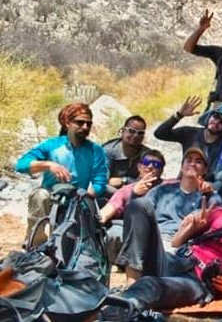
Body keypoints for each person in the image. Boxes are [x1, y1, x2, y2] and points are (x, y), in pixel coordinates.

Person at [106, 182, 222, 313]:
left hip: (197, 283)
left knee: (150, 285)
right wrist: (191, 229)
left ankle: (117, 310)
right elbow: (176, 243)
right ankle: (131, 281)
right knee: (140, 205)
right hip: (177, 261)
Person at [115, 147, 222, 281]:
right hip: (155, 241)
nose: (193, 164)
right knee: (139, 204)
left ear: (205, 170)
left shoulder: (212, 198)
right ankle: (131, 281)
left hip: (181, 250)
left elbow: (218, 220)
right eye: (189, 160)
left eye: (198, 161)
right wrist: (135, 194)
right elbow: (138, 214)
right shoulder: (161, 190)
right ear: (181, 167)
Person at [16, 102, 108, 245]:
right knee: (39, 195)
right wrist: (49, 165)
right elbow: (21, 165)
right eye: (80, 122)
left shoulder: (95, 150)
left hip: (77, 199)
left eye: (88, 124)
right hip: (50, 196)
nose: (85, 127)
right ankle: (35, 243)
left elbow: (100, 182)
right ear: (67, 123)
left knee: (64, 246)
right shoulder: (52, 145)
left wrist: (86, 195)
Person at [98, 150, 167, 263]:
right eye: (146, 162)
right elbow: (107, 211)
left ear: (162, 170)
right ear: (139, 167)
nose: (150, 167)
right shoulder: (127, 190)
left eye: (156, 164)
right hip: (135, 235)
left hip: (163, 233)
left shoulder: (170, 187)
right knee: (114, 233)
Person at [154, 96, 222, 179]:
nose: (217, 122)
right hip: (183, 182)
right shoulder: (190, 133)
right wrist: (179, 115)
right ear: (210, 116)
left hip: (207, 184)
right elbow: (159, 134)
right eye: (216, 116)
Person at [103, 115, 158, 195]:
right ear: (122, 131)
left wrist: (124, 180)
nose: (136, 135)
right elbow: (101, 184)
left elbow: (149, 181)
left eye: (140, 133)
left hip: (138, 195)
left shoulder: (147, 154)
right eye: (131, 131)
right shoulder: (107, 151)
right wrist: (123, 195)